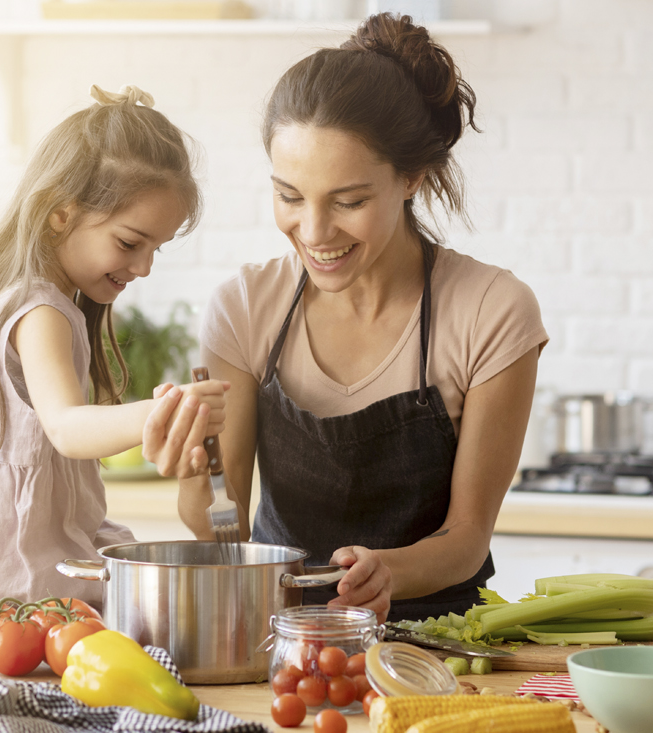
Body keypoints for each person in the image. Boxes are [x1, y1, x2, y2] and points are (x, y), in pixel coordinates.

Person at [168, 15, 548, 623]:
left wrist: (389, 572)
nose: (315, 233)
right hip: (280, 641)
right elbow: (226, 530)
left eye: (349, 202)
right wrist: (196, 476)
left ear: (410, 179)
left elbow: (467, 536)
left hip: (439, 640)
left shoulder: (490, 311)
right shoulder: (244, 308)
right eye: (289, 197)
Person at [0, 85, 226, 631]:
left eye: (157, 248)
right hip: (5, 591)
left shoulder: (9, 295)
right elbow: (66, 427)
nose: (145, 266)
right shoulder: (42, 310)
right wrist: (162, 409)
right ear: (61, 214)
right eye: (130, 243)